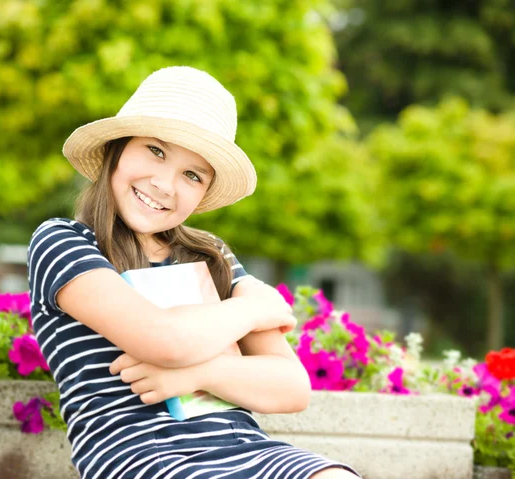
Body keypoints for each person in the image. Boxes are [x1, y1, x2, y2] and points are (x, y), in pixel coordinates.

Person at [27, 66, 360, 479]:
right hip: (139, 456)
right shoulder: (65, 242)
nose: (165, 184)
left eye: (192, 175)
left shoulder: (212, 255)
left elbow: (291, 387)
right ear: (118, 148)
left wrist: (200, 373)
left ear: (203, 192)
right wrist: (253, 311)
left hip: (246, 449)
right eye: (156, 150)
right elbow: (164, 340)